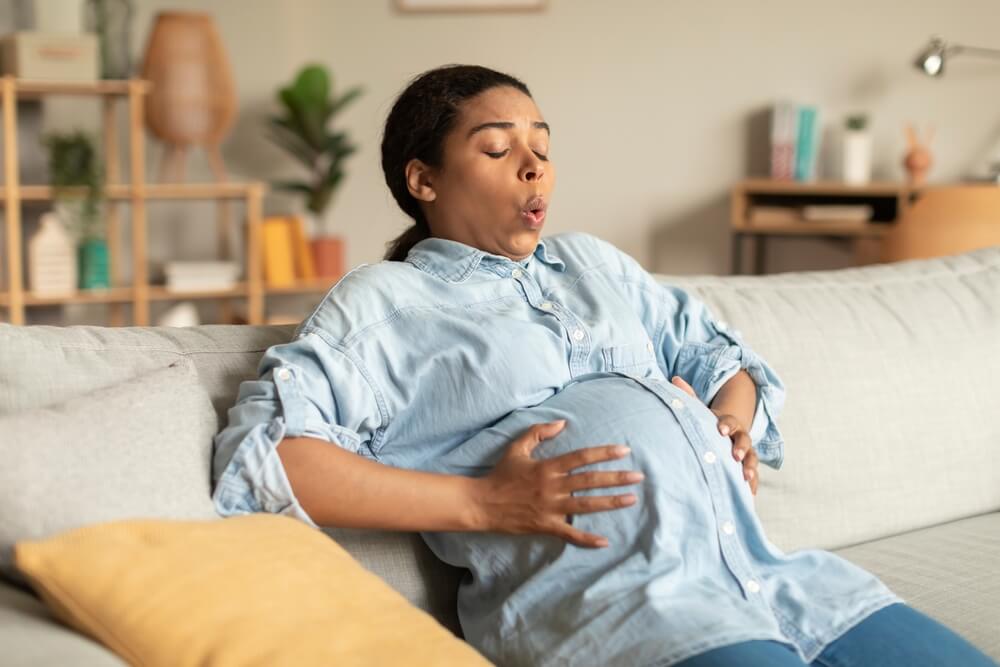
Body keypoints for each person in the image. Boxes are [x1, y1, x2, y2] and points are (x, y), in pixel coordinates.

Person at [212, 65, 997, 667]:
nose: (534, 167)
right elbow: (270, 457)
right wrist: (481, 502)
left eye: (543, 147)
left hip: (789, 584)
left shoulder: (590, 263)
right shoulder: (384, 303)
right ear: (423, 180)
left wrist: (728, 420)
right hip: (631, 620)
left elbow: (720, 355)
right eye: (497, 148)